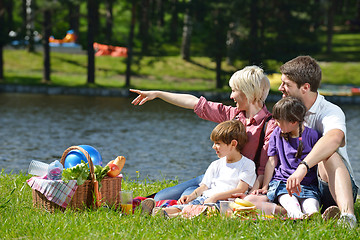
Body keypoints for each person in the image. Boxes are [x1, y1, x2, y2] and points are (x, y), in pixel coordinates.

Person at [131, 66, 276, 201]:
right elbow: (195, 103)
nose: (231, 96)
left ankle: (189, 199)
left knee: (183, 197)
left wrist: (251, 195)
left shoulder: (270, 125)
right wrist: (158, 94)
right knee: (160, 197)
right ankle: (189, 196)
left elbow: (263, 168)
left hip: (237, 182)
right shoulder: (232, 114)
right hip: (215, 176)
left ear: (247, 91)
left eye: (234, 90)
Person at [247, 56, 358, 227]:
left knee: (328, 154)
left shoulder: (330, 111)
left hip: (328, 186)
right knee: (254, 200)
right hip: (292, 186)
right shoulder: (286, 111)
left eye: (286, 84)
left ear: (305, 87)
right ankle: (298, 213)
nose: (280, 88)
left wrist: (303, 167)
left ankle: (347, 217)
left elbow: (335, 138)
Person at [144, 120, 256, 217]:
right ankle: (159, 211)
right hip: (206, 198)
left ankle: (166, 215)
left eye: (218, 143)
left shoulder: (247, 165)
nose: (213, 147)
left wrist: (215, 197)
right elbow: (204, 187)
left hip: (224, 203)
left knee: (201, 211)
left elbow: (240, 189)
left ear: (233, 144)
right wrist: (191, 195)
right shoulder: (216, 164)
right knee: (187, 206)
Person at [255, 97, 321, 219]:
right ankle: (296, 215)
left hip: (307, 186)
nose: (275, 123)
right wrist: (265, 186)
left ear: (293, 122)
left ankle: (314, 215)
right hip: (282, 184)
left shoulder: (313, 136)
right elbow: (271, 161)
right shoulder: (277, 133)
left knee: (310, 203)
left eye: (279, 120)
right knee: (290, 201)